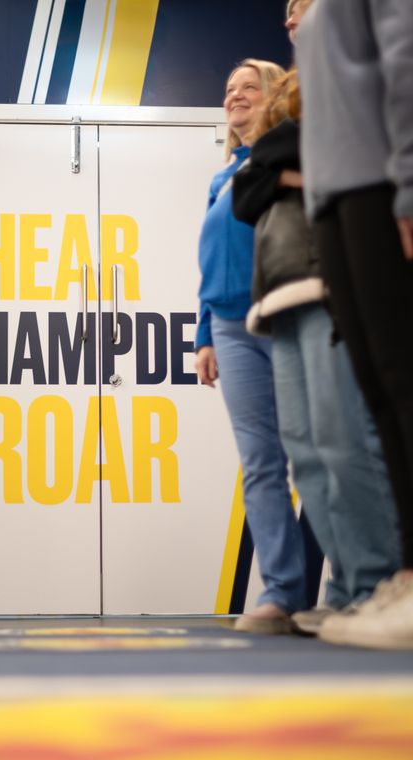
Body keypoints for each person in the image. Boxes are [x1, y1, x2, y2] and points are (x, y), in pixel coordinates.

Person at [231, 4, 401, 636]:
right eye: (286, 13)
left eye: (301, 5)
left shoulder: (347, 72)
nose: (292, 19)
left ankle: (377, 581)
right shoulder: (297, 96)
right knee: (307, 452)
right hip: (276, 293)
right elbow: (250, 190)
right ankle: (353, 585)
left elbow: (313, 155)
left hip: (326, 275)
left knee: (343, 439)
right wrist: (273, 166)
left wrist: (273, 164)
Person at [297, 0, 413, 649]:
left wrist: (410, 183)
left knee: (403, 380)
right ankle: (407, 576)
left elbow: (406, 58)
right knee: (379, 386)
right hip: (336, 198)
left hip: (381, 183)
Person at [195, 59, 308, 634]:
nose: (235, 96)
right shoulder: (222, 179)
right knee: (261, 464)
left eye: (248, 87)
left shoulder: (291, 160)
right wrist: (205, 335)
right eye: (228, 89)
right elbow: (210, 264)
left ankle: (343, 589)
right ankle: (283, 593)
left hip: (286, 316)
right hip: (231, 329)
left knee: (316, 455)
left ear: (276, 97)